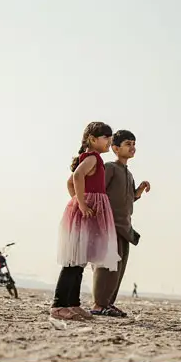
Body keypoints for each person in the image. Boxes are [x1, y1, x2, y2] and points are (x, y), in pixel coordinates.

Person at [50, 123, 119, 322]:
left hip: (88, 211)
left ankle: (73, 303)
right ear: (92, 139)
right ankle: (59, 305)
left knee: (80, 261)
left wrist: (77, 199)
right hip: (85, 211)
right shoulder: (92, 158)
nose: (109, 142)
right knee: (73, 262)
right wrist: (81, 203)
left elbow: (71, 181)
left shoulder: (91, 159)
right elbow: (77, 176)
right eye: (106, 138)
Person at [90, 131, 149, 318]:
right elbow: (98, 192)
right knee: (106, 266)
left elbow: (128, 198)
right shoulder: (110, 168)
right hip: (108, 225)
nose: (132, 147)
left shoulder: (129, 174)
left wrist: (138, 191)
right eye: (127, 143)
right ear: (115, 148)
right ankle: (99, 305)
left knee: (119, 268)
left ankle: (108, 303)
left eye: (134, 143)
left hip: (125, 228)